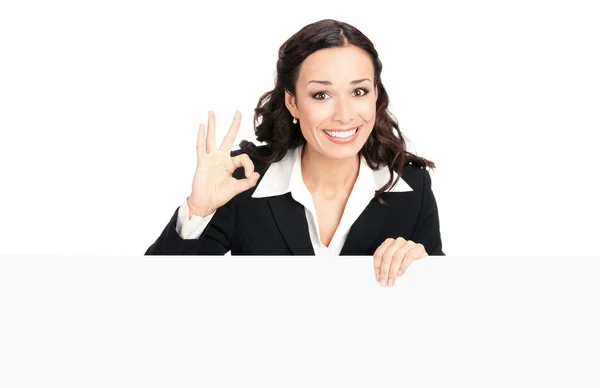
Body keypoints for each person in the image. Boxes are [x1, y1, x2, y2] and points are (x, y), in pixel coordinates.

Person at [145, 19, 444, 287]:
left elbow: (443, 309)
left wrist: (425, 270)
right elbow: (157, 292)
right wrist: (197, 210)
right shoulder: (243, 183)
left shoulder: (413, 188)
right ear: (292, 103)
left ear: (376, 95)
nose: (344, 115)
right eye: (321, 95)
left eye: (358, 92)